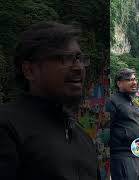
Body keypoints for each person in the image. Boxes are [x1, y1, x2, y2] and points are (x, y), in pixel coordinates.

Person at [0, 21, 97, 179]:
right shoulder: (7, 127)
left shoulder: (83, 138)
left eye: (79, 58)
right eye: (64, 59)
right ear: (29, 70)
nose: (78, 67)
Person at [107, 68, 139, 180]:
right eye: (129, 80)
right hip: (121, 156)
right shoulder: (112, 102)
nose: (134, 82)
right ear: (119, 83)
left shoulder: (134, 105)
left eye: (134, 79)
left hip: (136, 155)